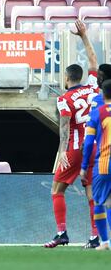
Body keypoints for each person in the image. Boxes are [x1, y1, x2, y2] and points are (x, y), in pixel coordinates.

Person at [44, 20, 99, 248]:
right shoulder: (93, 87)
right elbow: (94, 60)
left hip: (75, 149)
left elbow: (64, 128)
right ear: (82, 77)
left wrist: (61, 153)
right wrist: (84, 36)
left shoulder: (64, 99)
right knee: (90, 193)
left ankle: (62, 233)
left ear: (67, 79)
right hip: (95, 147)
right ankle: (95, 236)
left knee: (57, 189)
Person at [81, 79, 111, 250]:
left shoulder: (97, 113)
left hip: (104, 163)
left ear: (103, 93)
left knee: (99, 201)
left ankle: (105, 242)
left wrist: (84, 166)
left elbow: (88, 141)